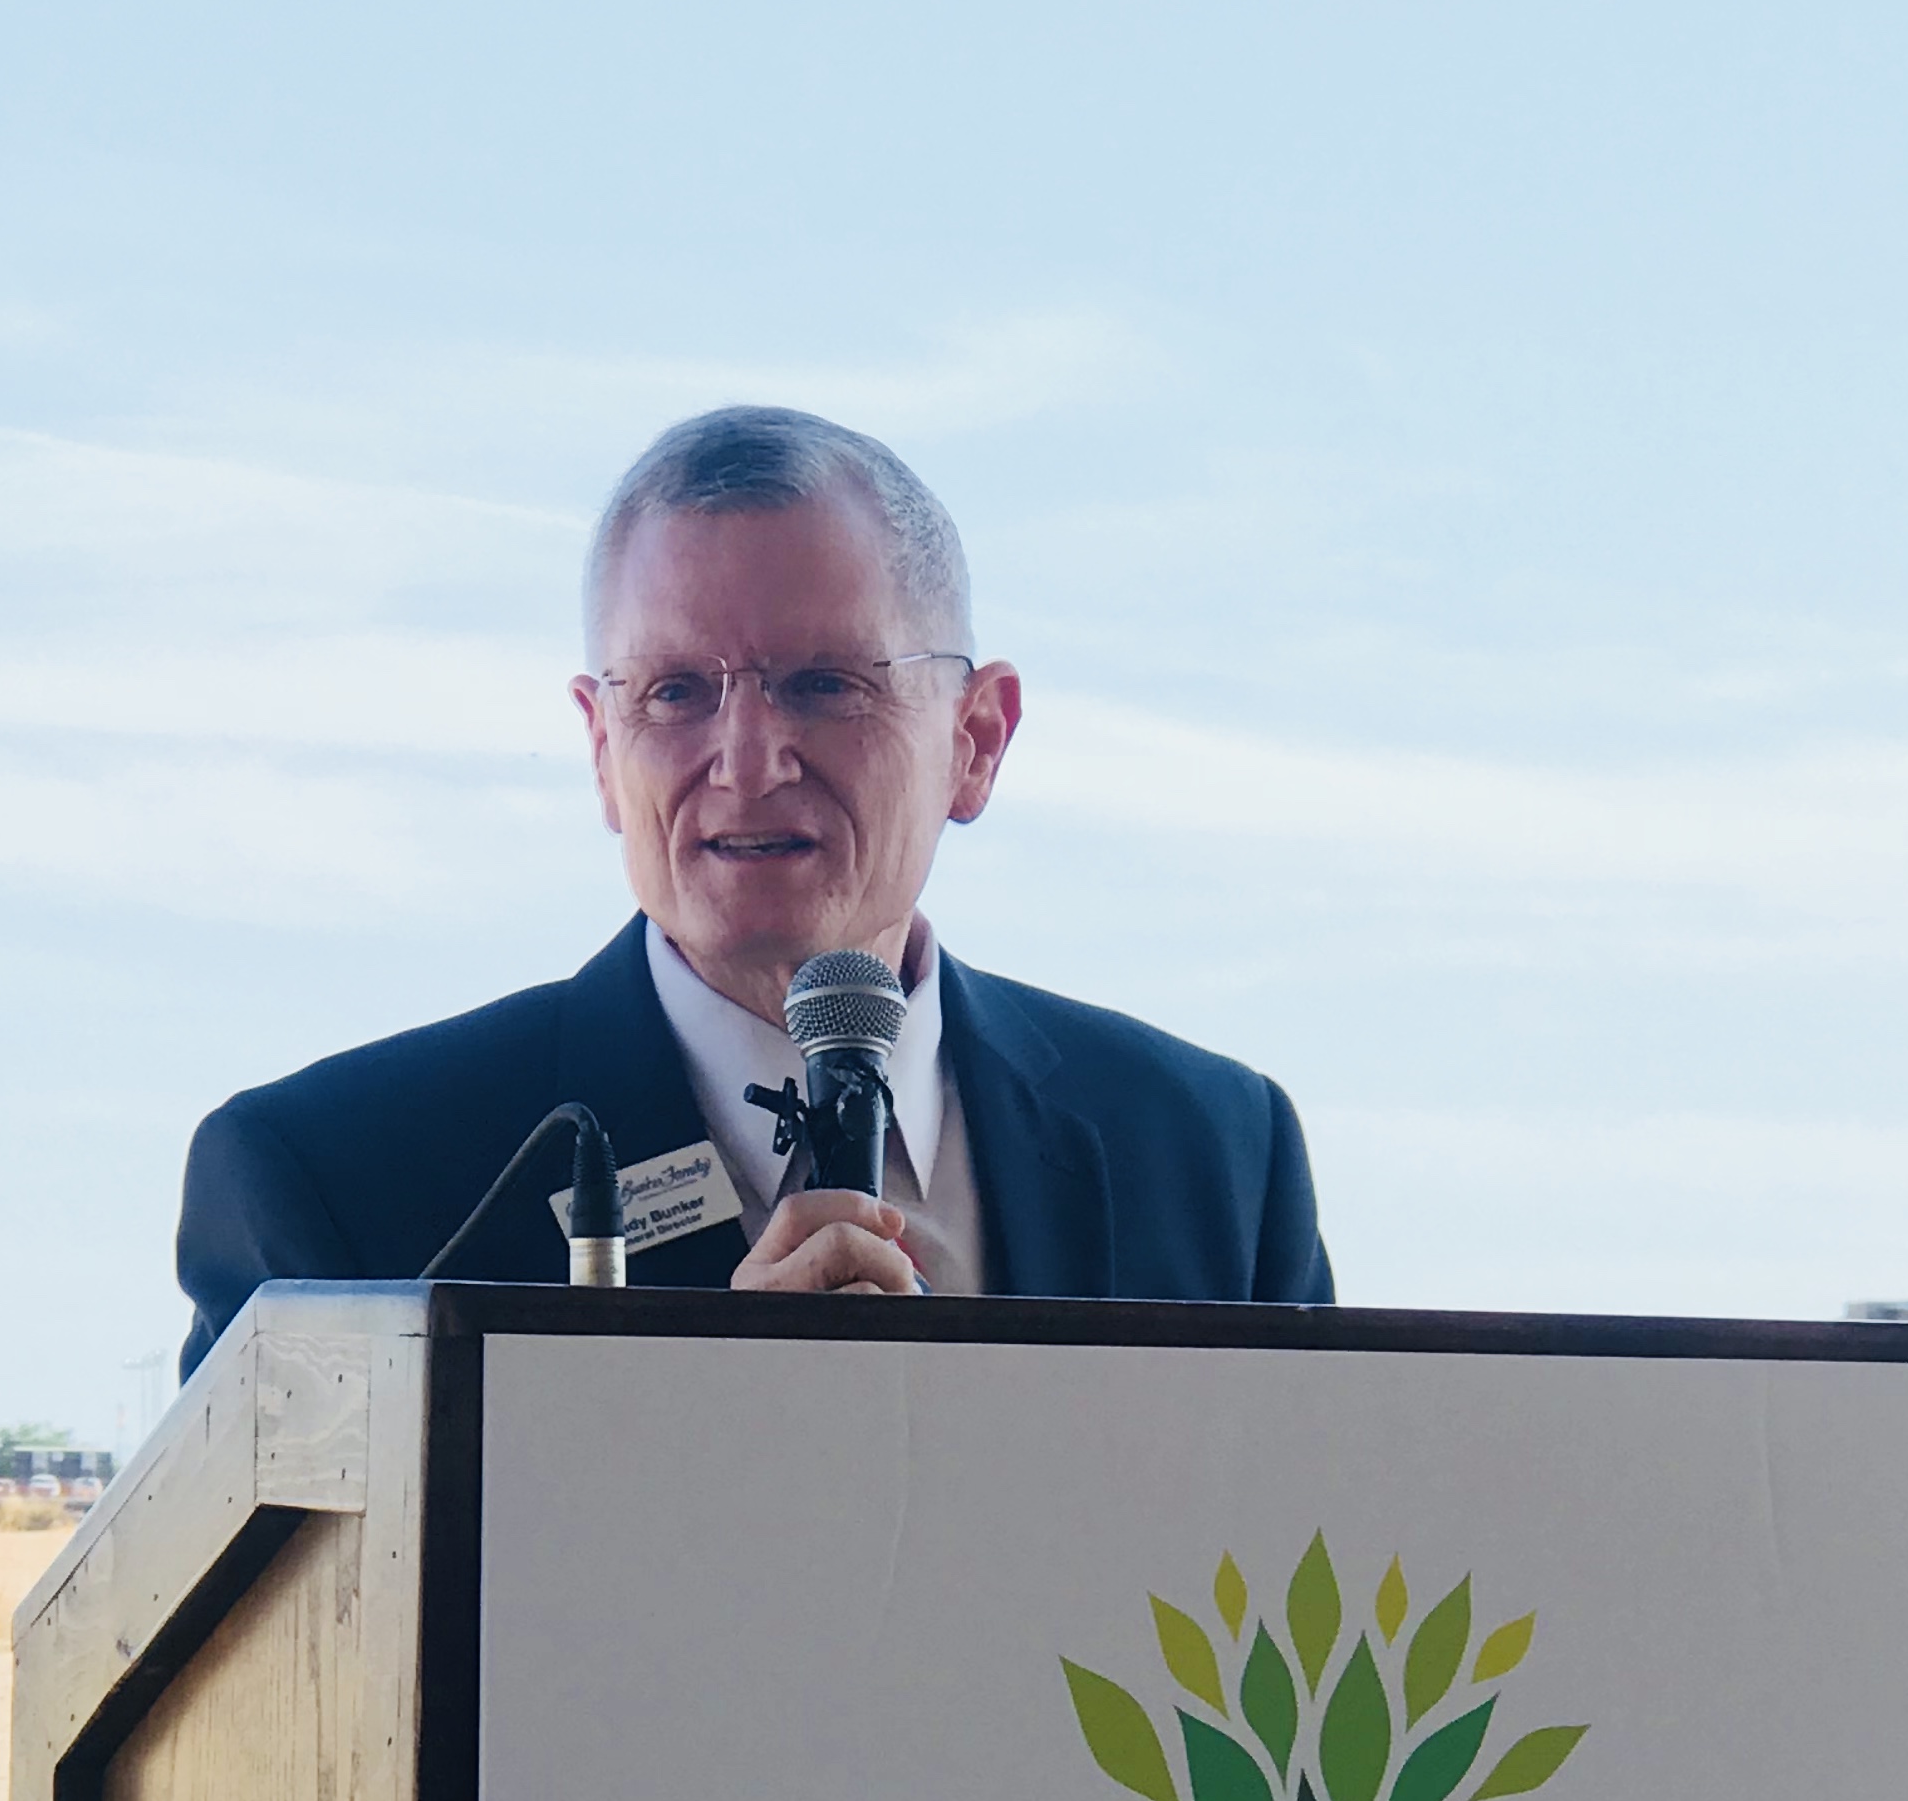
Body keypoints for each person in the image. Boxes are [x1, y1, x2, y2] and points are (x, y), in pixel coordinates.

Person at [174, 406, 1332, 1371]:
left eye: (823, 683)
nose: (746, 758)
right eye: (675, 693)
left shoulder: (1212, 1156)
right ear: (600, 750)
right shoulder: (335, 1189)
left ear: (977, 740)